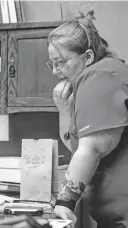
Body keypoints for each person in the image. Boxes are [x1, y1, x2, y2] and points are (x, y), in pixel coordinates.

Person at [46, 10, 128, 228]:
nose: (56, 71)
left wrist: (65, 202)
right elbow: (77, 146)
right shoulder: (91, 84)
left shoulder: (101, 76)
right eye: (51, 63)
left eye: (61, 62)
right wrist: (64, 110)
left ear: (88, 57)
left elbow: (92, 149)